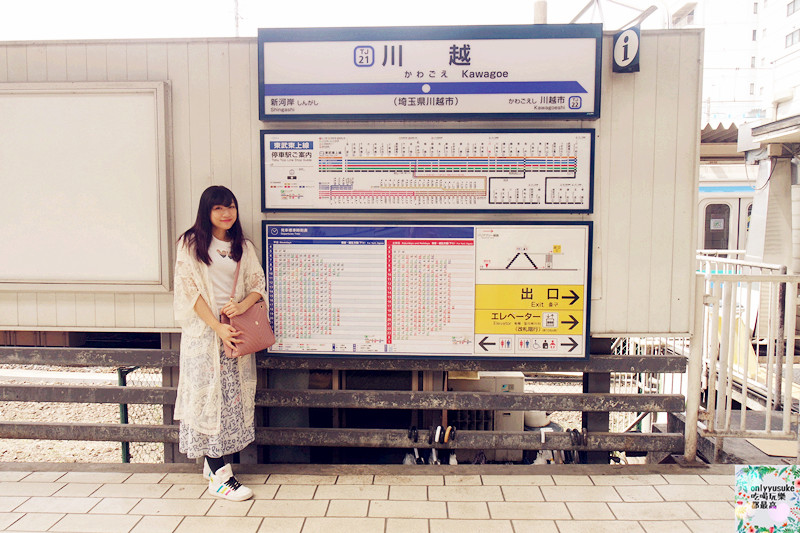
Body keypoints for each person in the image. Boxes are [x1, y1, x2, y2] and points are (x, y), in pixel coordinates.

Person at [173, 185, 267, 501]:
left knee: (229, 403)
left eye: (230, 207)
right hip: (205, 339)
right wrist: (217, 328)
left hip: (236, 336)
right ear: (206, 212)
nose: (226, 213)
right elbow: (190, 293)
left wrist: (241, 307)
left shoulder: (243, 246)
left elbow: (258, 285)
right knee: (207, 401)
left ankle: (212, 468)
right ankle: (221, 476)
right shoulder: (190, 245)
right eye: (218, 208)